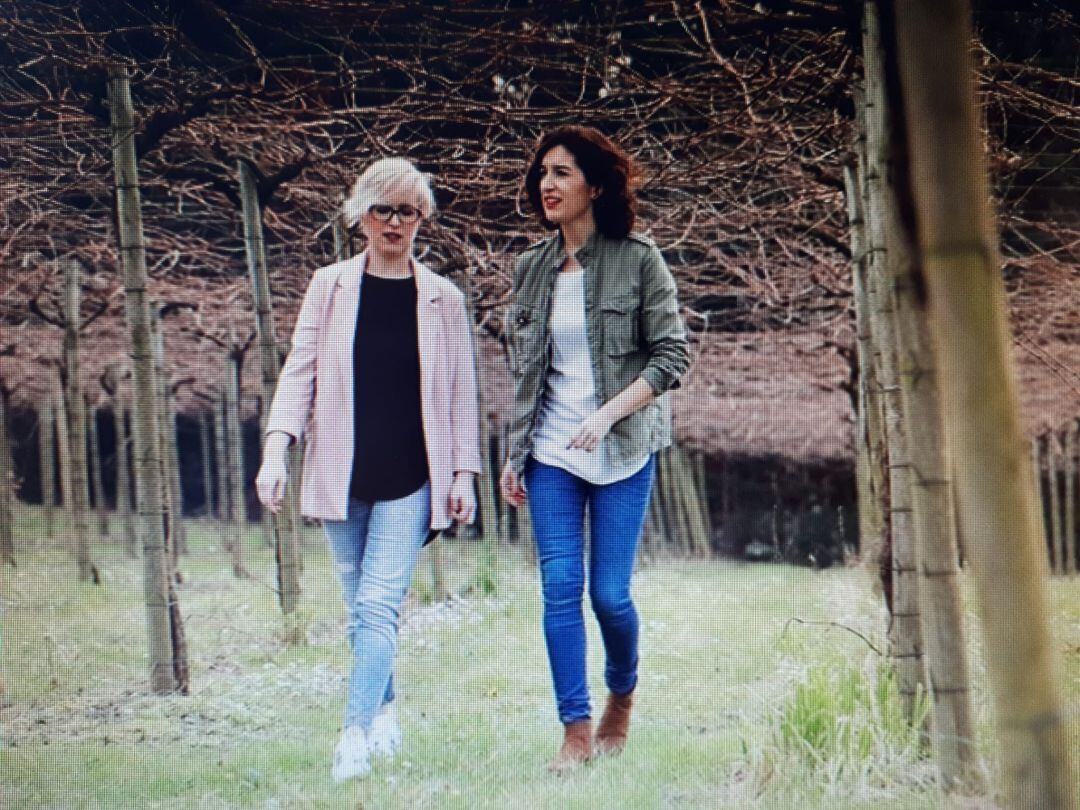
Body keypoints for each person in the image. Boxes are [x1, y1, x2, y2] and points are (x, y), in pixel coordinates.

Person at [256, 157, 482, 782]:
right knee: (361, 608)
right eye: (382, 209)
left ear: (423, 220)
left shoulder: (444, 298)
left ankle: (352, 737)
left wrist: (463, 473)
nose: (393, 222)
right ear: (359, 215)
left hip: (412, 475)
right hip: (341, 470)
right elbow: (299, 371)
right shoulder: (328, 286)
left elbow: (463, 390)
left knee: (379, 605)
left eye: (406, 211)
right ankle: (383, 715)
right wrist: (277, 449)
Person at [500, 126, 690, 772]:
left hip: (623, 451)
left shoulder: (639, 259)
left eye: (562, 173)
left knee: (609, 595)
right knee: (559, 588)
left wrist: (609, 415)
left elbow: (673, 354)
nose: (547, 185)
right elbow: (525, 371)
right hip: (552, 452)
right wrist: (514, 451)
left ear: (596, 185)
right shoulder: (531, 267)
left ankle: (623, 693)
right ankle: (574, 731)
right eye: (542, 173)